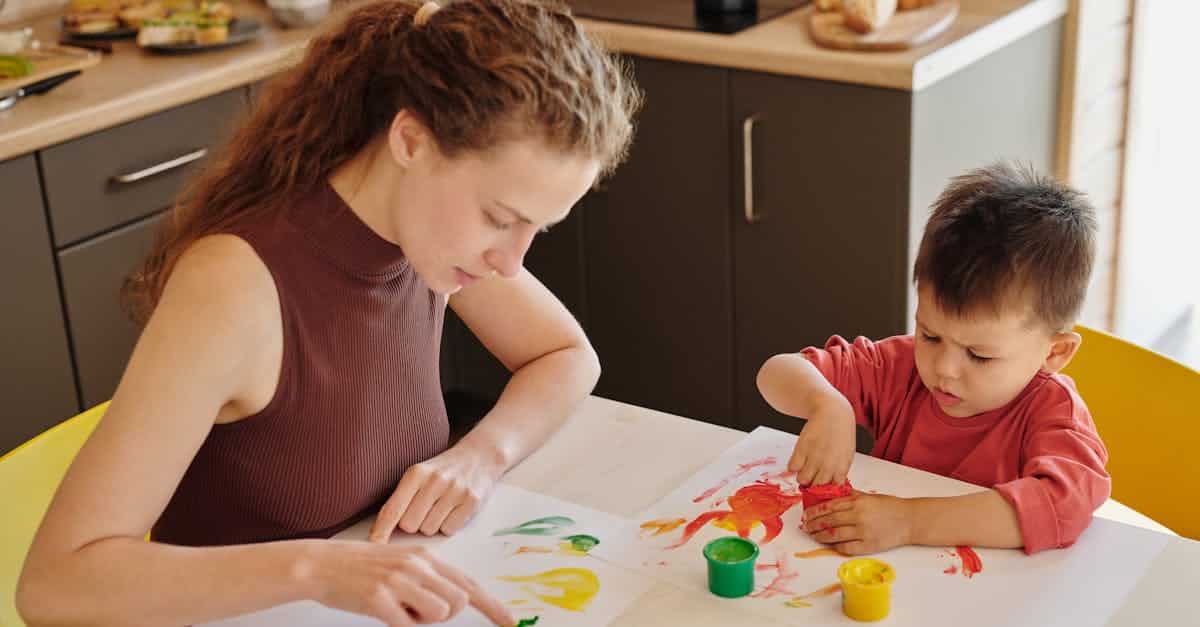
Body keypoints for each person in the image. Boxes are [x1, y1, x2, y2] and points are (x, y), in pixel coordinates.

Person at [18, 1, 640, 625]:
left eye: (537, 228)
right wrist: (315, 568)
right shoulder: (236, 287)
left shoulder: (427, 241)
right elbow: (54, 585)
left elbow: (564, 357)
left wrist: (480, 456)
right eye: (501, 218)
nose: (510, 260)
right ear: (410, 142)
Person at [756, 163, 1111, 556]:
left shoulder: (1052, 412)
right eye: (930, 334)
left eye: (979, 355)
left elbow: (1064, 505)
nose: (943, 368)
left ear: (1054, 352)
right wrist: (826, 403)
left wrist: (908, 521)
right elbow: (777, 371)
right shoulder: (901, 368)